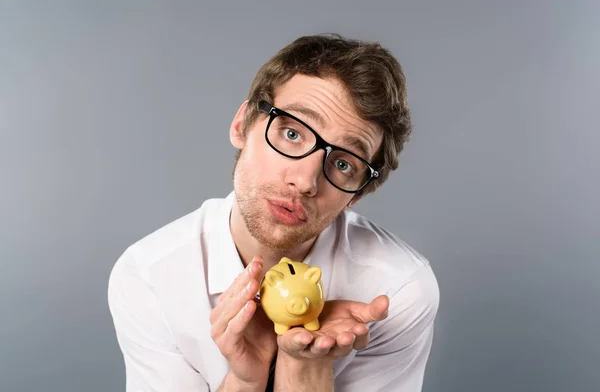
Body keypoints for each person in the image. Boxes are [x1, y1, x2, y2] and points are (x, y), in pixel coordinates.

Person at [108, 33, 439, 391]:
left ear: (356, 196)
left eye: (343, 163)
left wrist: (303, 367)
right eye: (293, 134)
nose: (305, 180)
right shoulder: (150, 276)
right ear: (241, 124)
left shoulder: (397, 290)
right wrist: (242, 382)